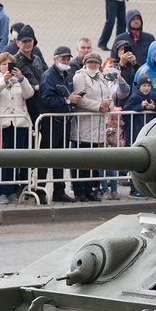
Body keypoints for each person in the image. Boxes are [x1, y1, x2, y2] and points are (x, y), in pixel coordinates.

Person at [0, 53, 33, 203]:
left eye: (10, 64)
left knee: (15, 158)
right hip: (2, 123)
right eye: (4, 64)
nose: (7, 66)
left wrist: (21, 79)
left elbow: (29, 93)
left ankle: (12, 190)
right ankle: (0, 191)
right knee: (1, 159)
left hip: (19, 122)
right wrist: (3, 82)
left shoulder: (19, 80)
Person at [37, 45, 80, 203]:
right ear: (55, 59)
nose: (66, 61)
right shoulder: (48, 76)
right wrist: (67, 100)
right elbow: (46, 99)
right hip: (51, 122)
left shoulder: (67, 75)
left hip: (64, 122)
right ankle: (40, 190)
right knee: (45, 157)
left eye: (68, 58)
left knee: (60, 158)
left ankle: (59, 190)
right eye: (63, 58)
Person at [70, 52, 111, 202]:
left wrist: (108, 105)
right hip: (84, 125)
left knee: (92, 161)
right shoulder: (80, 77)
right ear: (85, 63)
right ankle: (79, 190)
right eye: (90, 63)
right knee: (81, 161)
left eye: (96, 63)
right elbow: (80, 99)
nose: (93, 65)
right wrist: (98, 106)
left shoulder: (101, 77)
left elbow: (108, 96)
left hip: (98, 126)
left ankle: (91, 190)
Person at [121, 77, 156, 197]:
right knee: (134, 161)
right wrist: (140, 106)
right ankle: (134, 188)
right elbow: (126, 110)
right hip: (135, 131)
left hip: (147, 132)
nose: (146, 88)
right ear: (139, 86)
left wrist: (154, 107)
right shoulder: (135, 97)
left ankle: (145, 188)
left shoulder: (152, 95)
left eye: (148, 86)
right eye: (144, 86)